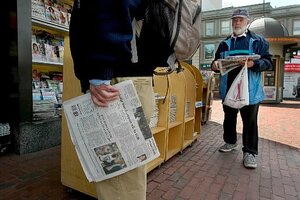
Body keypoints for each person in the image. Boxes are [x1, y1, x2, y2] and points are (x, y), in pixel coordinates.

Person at [69, 1, 156, 200]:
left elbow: (114, 6)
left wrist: (100, 71)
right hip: (126, 78)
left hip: (115, 81)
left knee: (119, 179)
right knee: (124, 176)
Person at [211, 8, 273, 169]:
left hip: (249, 91)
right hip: (228, 89)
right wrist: (215, 65)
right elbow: (215, 62)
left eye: (240, 19)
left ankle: (250, 152)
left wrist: (254, 64)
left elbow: (268, 62)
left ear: (247, 21)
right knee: (229, 119)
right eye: (234, 20)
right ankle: (230, 142)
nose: (237, 22)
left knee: (250, 122)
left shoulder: (259, 41)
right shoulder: (224, 43)